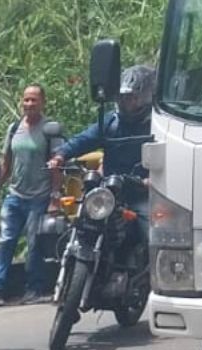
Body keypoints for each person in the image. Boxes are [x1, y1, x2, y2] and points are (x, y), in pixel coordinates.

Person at [0, 84, 65, 307]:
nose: (29, 104)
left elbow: (58, 165)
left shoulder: (50, 129)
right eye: (26, 100)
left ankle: (33, 289)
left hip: (40, 196)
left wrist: (55, 197)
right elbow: (6, 164)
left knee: (35, 244)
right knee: (5, 240)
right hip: (15, 195)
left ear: (43, 102)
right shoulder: (13, 128)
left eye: (34, 100)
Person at [49, 65, 155, 240]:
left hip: (141, 193)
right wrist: (61, 155)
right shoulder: (110, 123)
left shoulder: (156, 125)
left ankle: (153, 265)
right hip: (109, 192)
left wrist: (152, 181)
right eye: (122, 97)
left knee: (150, 231)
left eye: (131, 98)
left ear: (144, 98)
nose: (125, 102)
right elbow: (83, 139)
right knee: (83, 221)